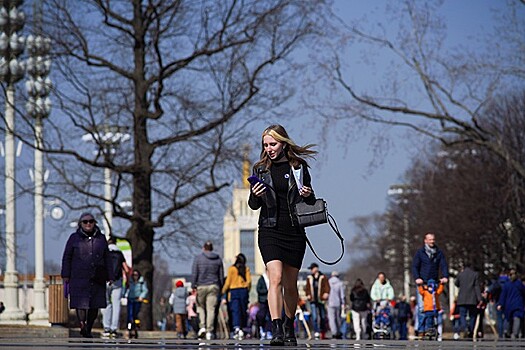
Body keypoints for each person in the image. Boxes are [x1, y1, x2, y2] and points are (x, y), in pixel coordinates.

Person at [248, 124, 317, 346]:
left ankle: (289, 324)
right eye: (266, 145)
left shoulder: (298, 167)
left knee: (290, 283)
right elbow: (253, 205)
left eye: (273, 144)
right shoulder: (260, 169)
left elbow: (309, 199)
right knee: (275, 278)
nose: (269, 148)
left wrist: (307, 193)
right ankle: (276, 327)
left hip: (294, 231)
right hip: (270, 229)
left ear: (283, 143)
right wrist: (254, 194)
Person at [61, 212, 112, 338]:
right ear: (80, 224)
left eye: (91, 221)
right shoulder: (74, 238)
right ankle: (82, 324)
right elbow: (67, 256)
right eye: (85, 222)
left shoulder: (101, 238)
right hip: (78, 276)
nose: (88, 224)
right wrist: (65, 275)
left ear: (95, 223)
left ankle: (88, 326)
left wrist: (110, 275)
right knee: (80, 303)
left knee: (95, 304)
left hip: (97, 277)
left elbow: (107, 258)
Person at [412, 232, 449, 333]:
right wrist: (417, 278)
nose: (432, 241)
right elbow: (415, 266)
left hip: (434, 282)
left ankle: (431, 328)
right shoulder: (420, 253)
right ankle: (421, 330)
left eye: (433, 239)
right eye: (430, 240)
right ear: (425, 241)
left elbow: (444, 265)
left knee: (433, 307)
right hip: (423, 283)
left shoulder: (438, 253)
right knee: (421, 307)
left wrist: (445, 276)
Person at [190, 240, 224, 340]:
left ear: (203, 248)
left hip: (201, 286)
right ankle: (210, 331)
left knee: (200, 307)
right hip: (214, 286)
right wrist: (220, 286)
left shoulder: (198, 259)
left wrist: (193, 285)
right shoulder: (218, 259)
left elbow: (194, 273)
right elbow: (221, 275)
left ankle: (202, 327)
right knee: (211, 309)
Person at [102, 237, 130, 338]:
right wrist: (127, 281)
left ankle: (106, 328)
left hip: (105, 281)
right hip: (117, 281)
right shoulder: (119, 254)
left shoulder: (104, 252)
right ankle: (114, 329)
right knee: (116, 304)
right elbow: (126, 269)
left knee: (106, 304)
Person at [222, 253, 252, 340]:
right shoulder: (246, 269)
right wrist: (247, 290)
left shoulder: (231, 269)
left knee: (235, 310)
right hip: (243, 290)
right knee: (243, 310)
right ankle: (242, 327)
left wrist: (223, 291)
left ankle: (237, 327)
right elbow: (249, 282)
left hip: (234, 291)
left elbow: (227, 282)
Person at [454, 262, 481, 339]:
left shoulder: (460, 275)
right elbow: (476, 287)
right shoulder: (475, 274)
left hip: (462, 298)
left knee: (462, 315)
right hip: (472, 299)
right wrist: (479, 298)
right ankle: (471, 330)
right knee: (473, 315)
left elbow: (456, 283)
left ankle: (465, 327)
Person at [497, 269, 525, 339]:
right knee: (517, 318)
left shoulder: (507, 285)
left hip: (508, 305)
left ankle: (507, 331)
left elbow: (503, 295)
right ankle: (515, 333)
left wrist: (500, 304)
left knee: (508, 319)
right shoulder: (519, 284)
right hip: (518, 304)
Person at [305, 263, 330, 340]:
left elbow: (327, 287)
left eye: (312, 269)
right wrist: (308, 294)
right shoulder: (309, 278)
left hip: (320, 300)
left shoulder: (323, 277)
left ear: (316, 269)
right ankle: (316, 331)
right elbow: (307, 288)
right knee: (315, 316)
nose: (311, 270)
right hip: (313, 300)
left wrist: (326, 293)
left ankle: (323, 331)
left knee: (322, 316)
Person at [126, 269, 149, 337]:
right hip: (130, 299)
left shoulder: (141, 282)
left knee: (135, 314)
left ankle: (136, 327)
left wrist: (141, 297)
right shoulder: (130, 282)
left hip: (137, 300)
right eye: (133, 275)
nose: (135, 276)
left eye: (136, 275)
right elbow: (126, 289)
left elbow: (145, 290)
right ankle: (129, 328)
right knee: (130, 314)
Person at [327, 271, 345, 339]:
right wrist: (343, 302)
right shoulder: (340, 283)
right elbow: (342, 295)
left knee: (331, 318)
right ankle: (338, 331)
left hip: (330, 302)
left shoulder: (328, 282)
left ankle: (334, 332)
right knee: (338, 318)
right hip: (338, 303)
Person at [256, 271, 271, 340]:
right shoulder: (262, 278)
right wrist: (267, 291)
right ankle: (262, 328)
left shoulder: (273, 277)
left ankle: (268, 330)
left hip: (271, 300)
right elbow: (258, 289)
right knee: (262, 315)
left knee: (270, 316)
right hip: (263, 300)